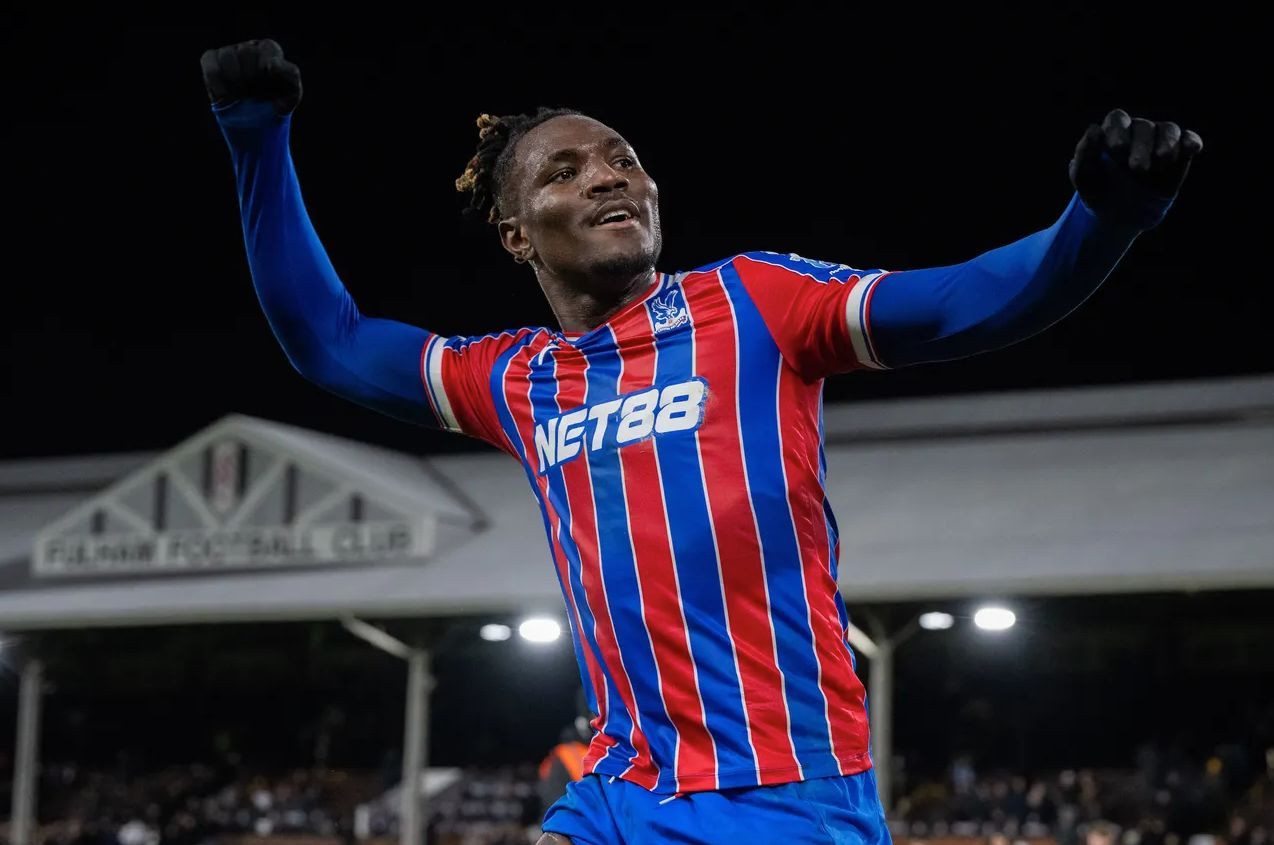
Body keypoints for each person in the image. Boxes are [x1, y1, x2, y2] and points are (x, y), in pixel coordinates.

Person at [200, 38, 1201, 845]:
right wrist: (256, 138)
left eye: (623, 160)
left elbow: (959, 304)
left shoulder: (755, 304)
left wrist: (1099, 222)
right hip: (619, 784)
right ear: (515, 234)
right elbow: (329, 342)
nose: (609, 178)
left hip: (781, 788)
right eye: (565, 172)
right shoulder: (515, 379)